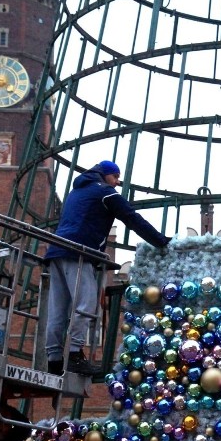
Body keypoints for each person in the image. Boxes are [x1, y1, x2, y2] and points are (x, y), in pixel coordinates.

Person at [44, 160, 170, 375]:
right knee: (86, 303)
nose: (117, 182)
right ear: (105, 175)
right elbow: (132, 218)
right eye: (115, 177)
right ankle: (75, 354)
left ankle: (54, 360)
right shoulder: (105, 192)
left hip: (56, 252)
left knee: (58, 308)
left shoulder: (76, 192)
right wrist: (161, 241)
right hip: (79, 252)